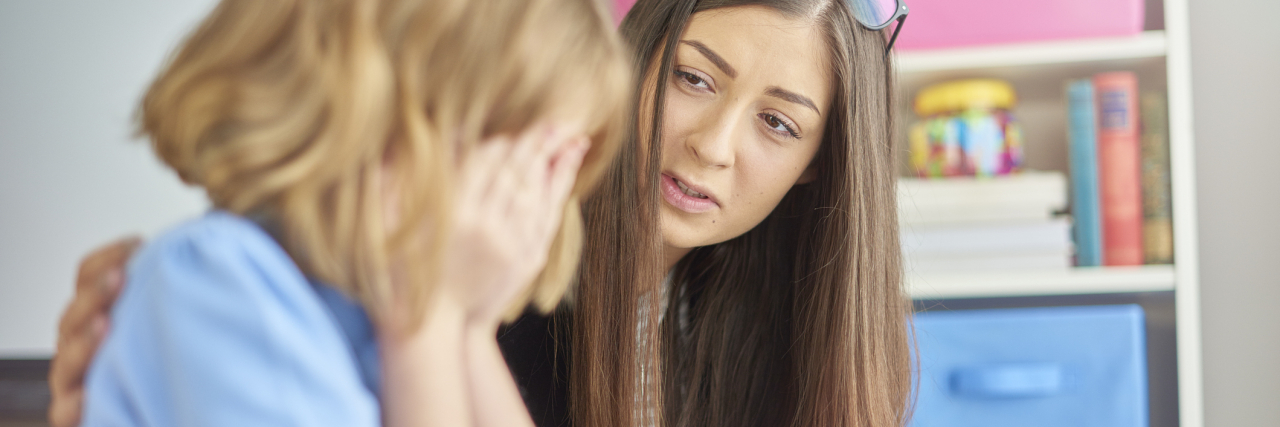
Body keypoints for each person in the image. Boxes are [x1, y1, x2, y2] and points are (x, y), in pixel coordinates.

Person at [51, 1, 913, 426]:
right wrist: (441, 321)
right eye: (693, 76)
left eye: (778, 123)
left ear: (819, 165)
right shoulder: (262, 286)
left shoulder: (774, 338)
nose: (713, 146)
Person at [68, 0, 632, 426]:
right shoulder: (216, 281)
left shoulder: (380, 310)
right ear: (376, 118)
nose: (538, 202)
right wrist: (427, 321)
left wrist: (469, 327)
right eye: (525, 161)